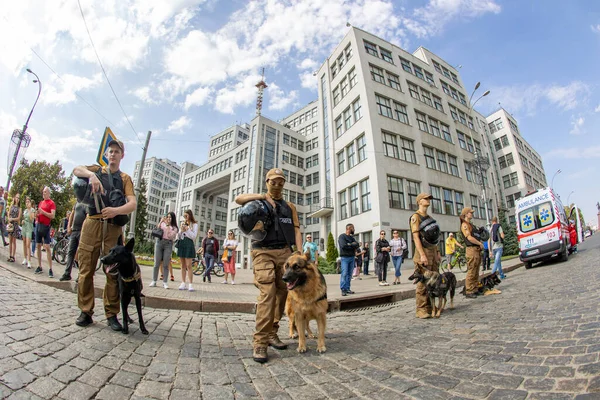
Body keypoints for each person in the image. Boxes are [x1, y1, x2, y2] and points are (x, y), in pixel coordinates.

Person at [235, 168, 302, 364]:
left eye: (281, 181)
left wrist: (298, 253)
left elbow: (297, 230)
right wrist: (262, 196)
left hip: (285, 253)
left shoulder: (289, 207)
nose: (277, 185)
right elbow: (239, 199)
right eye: (273, 181)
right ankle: (260, 342)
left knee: (282, 292)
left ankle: (273, 332)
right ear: (267, 181)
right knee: (268, 292)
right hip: (262, 251)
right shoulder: (258, 201)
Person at [72, 139, 136, 330]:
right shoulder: (98, 170)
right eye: (111, 151)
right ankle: (85, 311)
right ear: (106, 154)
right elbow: (76, 169)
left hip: (112, 227)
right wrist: (91, 175)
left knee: (113, 273)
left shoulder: (124, 178)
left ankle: (111, 314)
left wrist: (116, 211)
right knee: (86, 269)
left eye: (117, 151)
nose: (113, 154)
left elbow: (132, 203)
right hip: (92, 222)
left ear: (122, 155)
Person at [411, 193, 441, 318]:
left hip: (432, 251)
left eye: (429, 198)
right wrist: (422, 255)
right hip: (422, 252)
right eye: (426, 198)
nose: (428, 200)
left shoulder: (429, 217)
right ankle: (421, 309)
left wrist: (438, 252)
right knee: (423, 282)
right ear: (419, 201)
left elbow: (435, 237)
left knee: (433, 280)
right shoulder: (416, 217)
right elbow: (416, 237)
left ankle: (430, 306)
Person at [59, 202, 88, 281]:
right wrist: (69, 226)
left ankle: (80, 274)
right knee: (70, 252)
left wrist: (84, 230)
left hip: (82, 231)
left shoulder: (87, 202)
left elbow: (88, 217)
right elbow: (72, 214)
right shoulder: (77, 202)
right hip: (74, 230)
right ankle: (67, 273)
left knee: (81, 254)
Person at [151, 212, 178, 289]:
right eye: (167, 217)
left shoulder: (174, 228)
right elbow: (158, 229)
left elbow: (170, 236)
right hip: (159, 242)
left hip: (168, 244)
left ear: (173, 219)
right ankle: (154, 281)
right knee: (156, 262)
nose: (168, 218)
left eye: (170, 217)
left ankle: (165, 282)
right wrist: (161, 221)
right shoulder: (163, 223)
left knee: (166, 264)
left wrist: (168, 226)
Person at [460, 207, 483, 299]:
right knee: (472, 270)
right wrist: (479, 243)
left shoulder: (471, 225)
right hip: (471, 249)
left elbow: (475, 235)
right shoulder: (464, 225)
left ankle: (475, 288)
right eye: (470, 213)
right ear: (466, 214)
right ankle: (469, 290)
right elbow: (469, 238)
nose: (471, 214)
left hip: (476, 249)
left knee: (476, 270)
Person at [35, 187, 56, 277]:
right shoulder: (41, 203)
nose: (44, 193)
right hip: (39, 225)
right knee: (38, 245)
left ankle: (50, 268)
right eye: (43, 192)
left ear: (49, 193)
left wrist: (43, 212)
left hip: (46, 226)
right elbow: (39, 213)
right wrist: (37, 215)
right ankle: (39, 266)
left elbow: (52, 215)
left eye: (45, 192)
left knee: (47, 246)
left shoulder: (51, 203)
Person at [177, 210, 198, 291]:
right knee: (182, 265)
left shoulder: (194, 224)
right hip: (182, 242)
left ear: (190, 215)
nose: (185, 217)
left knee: (189, 265)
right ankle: (183, 282)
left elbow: (193, 236)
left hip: (189, 243)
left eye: (187, 216)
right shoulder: (182, 223)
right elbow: (178, 236)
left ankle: (190, 284)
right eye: (184, 216)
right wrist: (181, 230)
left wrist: (187, 230)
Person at [338, 223, 360, 295]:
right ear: (349, 228)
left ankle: (347, 288)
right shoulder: (342, 236)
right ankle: (343, 289)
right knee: (344, 273)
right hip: (345, 257)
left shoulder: (352, 238)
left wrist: (350, 245)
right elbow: (343, 246)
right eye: (353, 228)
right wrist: (352, 245)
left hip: (352, 257)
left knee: (349, 274)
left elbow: (357, 245)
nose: (354, 230)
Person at [7, 193, 22, 263]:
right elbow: (8, 213)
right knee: (10, 241)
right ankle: (10, 255)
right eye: (16, 197)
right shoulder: (11, 205)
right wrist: (9, 220)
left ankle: (13, 256)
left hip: (15, 224)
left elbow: (19, 218)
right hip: (10, 224)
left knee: (14, 241)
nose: (17, 199)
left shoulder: (19, 208)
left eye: (18, 198)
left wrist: (12, 219)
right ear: (14, 198)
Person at [21, 197, 35, 268]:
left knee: (28, 244)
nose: (27, 203)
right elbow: (24, 218)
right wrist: (22, 221)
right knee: (24, 242)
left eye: (28, 202)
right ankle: (25, 258)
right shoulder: (25, 210)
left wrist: (30, 209)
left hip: (29, 227)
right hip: (24, 226)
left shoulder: (32, 210)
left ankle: (29, 261)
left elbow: (31, 218)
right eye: (26, 202)